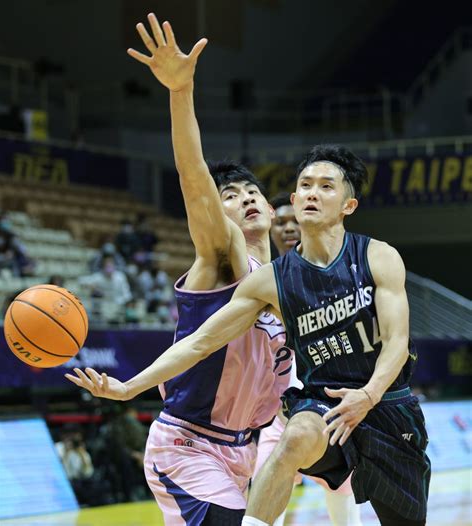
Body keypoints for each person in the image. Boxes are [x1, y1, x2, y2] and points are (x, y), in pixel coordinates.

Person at [67, 144, 431, 526]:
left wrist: (369, 395)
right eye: (305, 185)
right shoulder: (270, 282)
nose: (312, 192)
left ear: (348, 206)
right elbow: (199, 342)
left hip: (387, 405)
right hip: (322, 408)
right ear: (290, 200)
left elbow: (397, 342)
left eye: (326, 186)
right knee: (296, 436)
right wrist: (129, 388)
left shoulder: (378, 257)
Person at [70, 14, 292, 526]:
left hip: (247, 450)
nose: (245, 200)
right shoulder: (223, 253)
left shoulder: (285, 279)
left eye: (252, 191)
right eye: (230, 196)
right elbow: (194, 178)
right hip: (189, 447)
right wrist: (180, 92)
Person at [254, 192, 362, 526]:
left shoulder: (334, 277)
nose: (288, 227)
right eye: (281, 222)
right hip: (279, 415)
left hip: (327, 410)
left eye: (295, 221)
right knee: (263, 503)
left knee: (345, 512)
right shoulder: (262, 280)